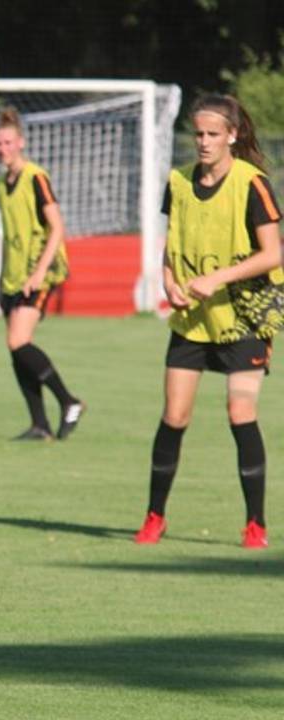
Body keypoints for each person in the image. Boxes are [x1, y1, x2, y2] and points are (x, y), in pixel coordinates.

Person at [135, 94, 283, 550]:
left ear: (232, 136)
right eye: (198, 133)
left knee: (240, 412)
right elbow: (171, 244)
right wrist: (168, 281)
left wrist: (218, 277)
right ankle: (154, 517)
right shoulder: (178, 182)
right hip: (192, 320)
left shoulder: (252, 184)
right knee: (174, 415)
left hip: (244, 318)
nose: (203, 141)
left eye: (213, 134)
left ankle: (255, 525)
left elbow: (273, 254)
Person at [0, 108, 84, 441]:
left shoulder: (36, 177)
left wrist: (38, 272)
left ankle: (69, 401)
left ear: (21, 142)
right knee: (17, 350)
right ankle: (39, 424)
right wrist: (3, 276)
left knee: (18, 341)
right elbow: (9, 234)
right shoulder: (2, 184)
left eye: (8, 142)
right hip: (13, 276)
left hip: (39, 273)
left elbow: (57, 227)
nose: (2, 149)